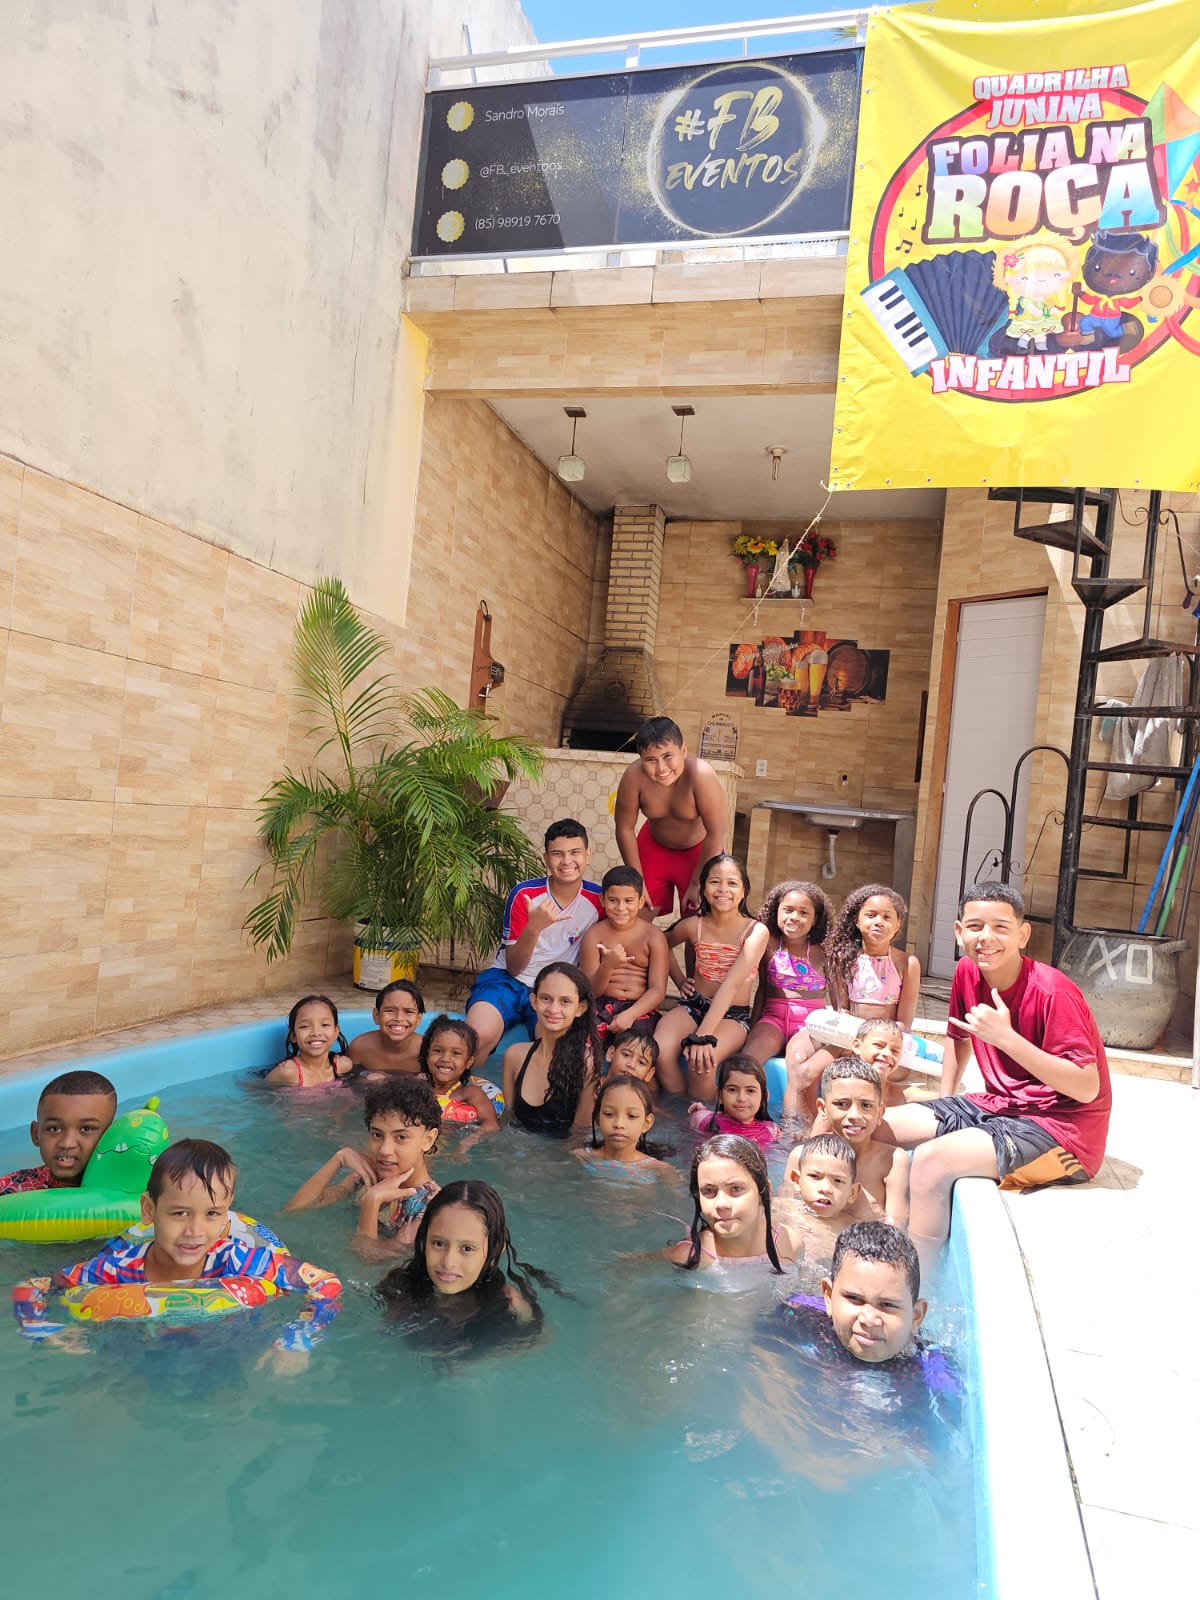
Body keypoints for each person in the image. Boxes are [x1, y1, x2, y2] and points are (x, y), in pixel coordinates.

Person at [885, 881, 1111, 1253]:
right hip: (1001, 1105)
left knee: (930, 1161)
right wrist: (944, 1101)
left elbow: (1087, 1088)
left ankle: (920, 1270)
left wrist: (1007, 1039)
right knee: (874, 1126)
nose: (986, 937)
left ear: (1023, 935)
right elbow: (958, 1037)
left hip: (1063, 1130)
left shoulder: (1053, 992)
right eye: (975, 926)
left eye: (1000, 927)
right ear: (959, 932)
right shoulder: (967, 972)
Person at [13, 1139, 341, 1374]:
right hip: (143, 1354)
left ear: (226, 1216)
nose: (195, 1231)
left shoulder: (237, 1261)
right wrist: (42, 1330)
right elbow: (33, 1287)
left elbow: (325, 1283)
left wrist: (297, 1340)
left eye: (212, 1214)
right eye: (180, 1213)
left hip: (225, 1352)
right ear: (149, 1210)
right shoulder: (117, 1268)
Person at [465, 819, 603, 1068]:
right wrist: (534, 926)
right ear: (546, 858)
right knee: (474, 1037)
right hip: (507, 980)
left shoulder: (599, 900)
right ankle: (459, 1089)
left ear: (588, 855)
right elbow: (514, 966)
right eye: (557, 854)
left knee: (556, 1052)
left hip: (555, 989)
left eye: (575, 852)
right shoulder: (525, 895)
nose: (567, 861)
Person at [376, 1180, 562, 1351]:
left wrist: (473, 1364)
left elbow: (542, 1341)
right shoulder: (399, 1286)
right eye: (439, 1243)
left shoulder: (509, 1306)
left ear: (495, 1250)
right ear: (424, 1241)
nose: (448, 1262)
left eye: (467, 1248)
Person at [786, 884, 920, 1117]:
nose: (879, 922)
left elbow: (903, 1024)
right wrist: (850, 1038)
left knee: (810, 1072)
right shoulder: (843, 959)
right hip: (848, 1035)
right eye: (871, 915)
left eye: (887, 917)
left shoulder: (907, 963)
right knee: (798, 1058)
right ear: (857, 920)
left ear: (897, 925)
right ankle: (795, 1124)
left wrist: (869, 1041)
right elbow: (843, 1012)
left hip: (883, 1041)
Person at [691, 880, 833, 1081]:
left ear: (815, 919)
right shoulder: (768, 945)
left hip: (809, 1023)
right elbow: (763, 990)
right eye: (788, 910)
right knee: (745, 1062)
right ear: (777, 912)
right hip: (773, 1019)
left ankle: (792, 1104)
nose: (794, 917)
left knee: (797, 1059)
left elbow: (838, 1000)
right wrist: (753, 1027)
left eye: (803, 912)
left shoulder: (824, 950)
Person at [285, 1077, 442, 1252]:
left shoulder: (431, 1208)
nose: (384, 1150)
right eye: (377, 1135)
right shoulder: (367, 1178)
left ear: (428, 1140)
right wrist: (339, 1159)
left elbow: (367, 1260)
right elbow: (295, 1210)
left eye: (401, 1137)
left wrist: (372, 1200)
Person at [655, 853, 758, 1097]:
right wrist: (680, 980)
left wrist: (703, 1035)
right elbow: (659, 943)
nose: (723, 889)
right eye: (714, 882)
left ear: (743, 891)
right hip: (694, 1005)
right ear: (703, 889)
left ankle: (704, 1119)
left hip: (732, 1015)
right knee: (659, 1050)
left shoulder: (755, 932)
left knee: (702, 1063)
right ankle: (683, 1112)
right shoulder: (694, 925)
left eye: (732, 883)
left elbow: (731, 985)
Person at [614, 716, 730, 921]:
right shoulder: (634, 777)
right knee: (634, 915)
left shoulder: (701, 774)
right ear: (641, 758)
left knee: (700, 921)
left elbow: (718, 831)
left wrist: (698, 882)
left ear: (683, 751)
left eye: (668, 756)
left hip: (699, 852)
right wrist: (637, 879)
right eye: (650, 760)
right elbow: (624, 828)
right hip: (654, 846)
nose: (661, 768)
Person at [667, 1133, 802, 1272]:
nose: (721, 1204)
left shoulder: (791, 1243)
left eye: (736, 1189)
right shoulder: (688, 1257)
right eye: (709, 1191)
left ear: (764, 1190)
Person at [801, 1059, 909, 1228]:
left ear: (879, 1113)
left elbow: (897, 1229)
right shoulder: (802, 1158)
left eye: (866, 1105)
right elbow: (788, 1215)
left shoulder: (892, 1162)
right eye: (842, 1104)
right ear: (823, 1108)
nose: (854, 1115)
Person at [501, 962, 604, 1138]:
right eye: (546, 998)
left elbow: (580, 1135)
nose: (553, 1009)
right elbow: (507, 1122)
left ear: (580, 1008)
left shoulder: (587, 1064)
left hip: (562, 1153)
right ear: (534, 1001)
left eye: (565, 1001)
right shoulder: (514, 1056)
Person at [577, 866, 669, 1037]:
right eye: (613, 900)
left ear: (640, 902)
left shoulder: (653, 936)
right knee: (584, 1040)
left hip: (640, 1007)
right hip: (601, 1006)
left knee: (637, 1046)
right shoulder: (594, 935)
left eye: (628, 901)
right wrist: (607, 967)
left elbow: (658, 990)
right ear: (602, 899)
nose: (620, 907)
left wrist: (630, 1015)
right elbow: (591, 991)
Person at [0, 1070, 117, 1194]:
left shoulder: (126, 1182)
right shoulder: (11, 1189)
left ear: (112, 1135)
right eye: (54, 1129)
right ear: (35, 1134)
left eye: (86, 1129)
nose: (67, 1143)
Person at [575, 1074, 674, 1172]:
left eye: (632, 1116)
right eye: (609, 1114)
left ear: (646, 1123)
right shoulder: (580, 1157)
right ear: (598, 1118)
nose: (619, 1124)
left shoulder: (660, 1170)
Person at [418, 1016, 500, 1131]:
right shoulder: (418, 1087)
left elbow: (491, 1124)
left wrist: (469, 1140)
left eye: (456, 1053)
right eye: (438, 1051)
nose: (445, 1059)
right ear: (427, 1055)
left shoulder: (470, 1093)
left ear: (469, 1061)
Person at [688, 1054, 779, 1148]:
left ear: (764, 1097)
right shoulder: (707, 1122)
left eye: (750, 1091)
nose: (741, 1098)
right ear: (720, 1095)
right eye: (732, 1090)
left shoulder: (771, 1131)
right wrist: (699, 1111)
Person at [265, 995, 355, 1087]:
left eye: (324, 1025)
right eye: (304, 1026)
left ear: (335, 1032)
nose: (315, 1033)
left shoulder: (343, 1066)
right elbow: (263, 1091)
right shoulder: (288, 1072)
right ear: (293, 1035)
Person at [348, 980, 425, 1076]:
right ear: (376, 1015)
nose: (399, 1018)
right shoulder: (360, 1048)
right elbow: (349, 1081)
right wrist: (365, 1081)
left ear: (418, 1019)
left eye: (408, 1011)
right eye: (390, 1010)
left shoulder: (427, 1052)